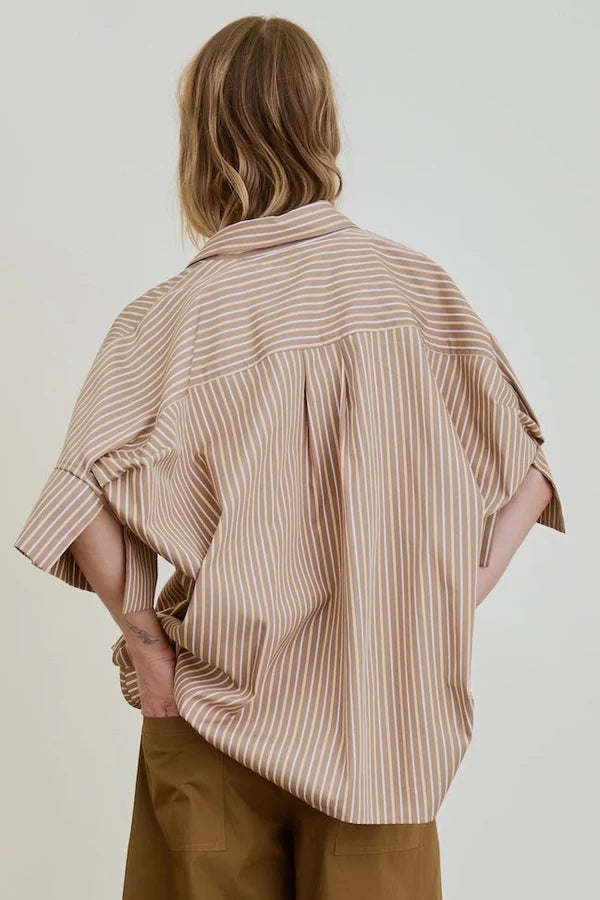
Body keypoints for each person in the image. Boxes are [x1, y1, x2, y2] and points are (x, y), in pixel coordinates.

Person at [13, 15, 566, 900]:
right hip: (383, 735)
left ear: (200, 138)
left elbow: (78, 500)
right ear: (321, 126)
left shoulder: (164, 323)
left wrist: (150, 655)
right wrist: (441, 600)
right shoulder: (414, 293)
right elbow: (531, 477)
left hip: (210, 721)